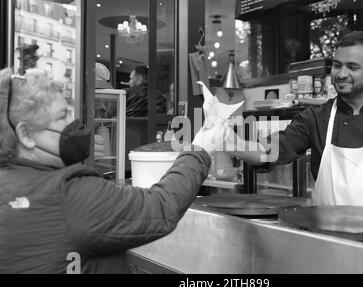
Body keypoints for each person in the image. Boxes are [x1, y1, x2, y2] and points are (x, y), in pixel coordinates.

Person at [0, 68, 227, 273]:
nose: (74, 122)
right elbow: (161, 206)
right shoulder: (68, 194)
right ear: (26, 135)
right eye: (62, 116)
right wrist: (201, 148)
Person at [226, 31, 363, 227]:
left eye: (352, 67)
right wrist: (227, 140)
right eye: (337, 65)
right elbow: (268, 152)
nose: (341, 74)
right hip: (330, 248)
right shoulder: (315, 118)